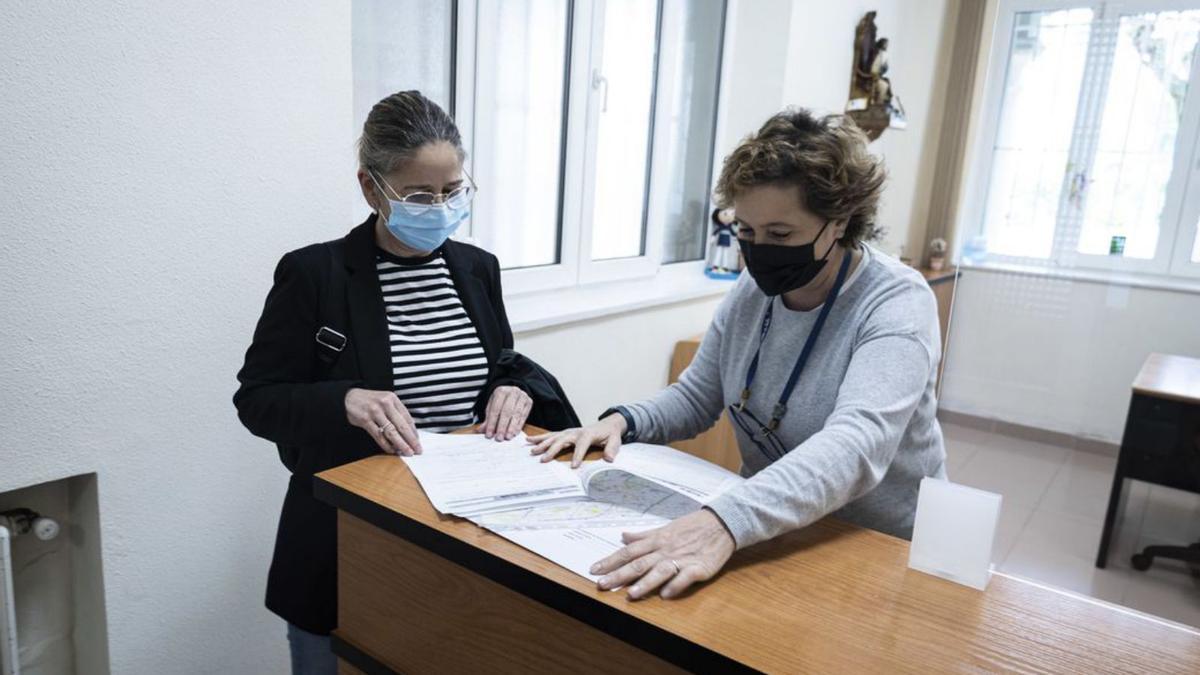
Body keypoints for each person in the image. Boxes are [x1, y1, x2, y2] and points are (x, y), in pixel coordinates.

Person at [529, 108, 946, 601]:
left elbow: (857, 444)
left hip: (874, 544)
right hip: (771, 527)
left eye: (780, 234)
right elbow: (697, 397)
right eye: (746, 231)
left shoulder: (896, 302)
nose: (758, 251)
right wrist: (622, 422)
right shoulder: (753, 289)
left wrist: (722, 521)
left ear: (839, 222)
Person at [234, 91, 547, 674]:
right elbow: (257, 400)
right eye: (420, 195)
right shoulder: (315, 274)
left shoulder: (478, 269)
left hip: (459, 536)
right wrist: (343, 399)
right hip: (346, 540)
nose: (440, 206)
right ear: (371, 187)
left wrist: (513, 388)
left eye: (452, 192)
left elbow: (500, 361)